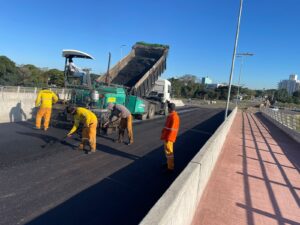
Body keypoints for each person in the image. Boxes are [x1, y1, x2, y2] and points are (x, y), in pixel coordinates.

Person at [160, 103, 180, 171]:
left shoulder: (174, 117)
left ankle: (170, 167)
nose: (167, 109)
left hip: (169, 137)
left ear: (170, 109)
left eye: (168, 108)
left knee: (169, 152)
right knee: (167, 152)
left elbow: (172, 130)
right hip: (167, 137)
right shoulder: (172, 115)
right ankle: (168, 163)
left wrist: (168, 138)